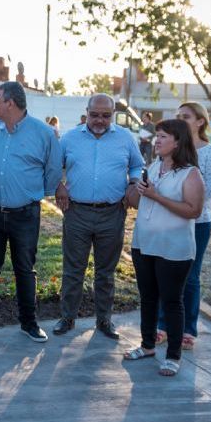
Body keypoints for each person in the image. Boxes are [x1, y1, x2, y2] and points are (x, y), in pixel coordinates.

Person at [0, 81, 62, 343]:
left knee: (25, 268)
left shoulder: (43, 133)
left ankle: (29, 323)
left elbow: (53, 170)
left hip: (25, 214)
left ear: (10, 103)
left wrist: (31, 193)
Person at [53, 94, 144, 339]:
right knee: (73, 269)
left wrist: (133, 182)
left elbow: (137, 165)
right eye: (95, 115)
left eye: (106, 116)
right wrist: (58, 186)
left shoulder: (126, 138)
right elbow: (53, 167)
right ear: (87, 112)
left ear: (112, 115)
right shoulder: (70, 138)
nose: (100, 120)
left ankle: (104, 320)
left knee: (106, 271)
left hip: (112, 212)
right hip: (77, 212)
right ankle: (67, 318)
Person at [124, 119, 204, 376]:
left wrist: (156, 195)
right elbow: (139, 203)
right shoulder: (154, 166)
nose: (156, 140)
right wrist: (136, 191)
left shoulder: (190, 173)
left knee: (171, 301)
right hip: (144, 244)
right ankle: (147, 345)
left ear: (178, 142)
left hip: (174, 248)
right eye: (157, 136)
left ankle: (173, 356)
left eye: (163, 137)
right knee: (147, 298)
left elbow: (193, 210)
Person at [156, 103, 211, 350]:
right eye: (177, 116)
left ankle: (188, 329)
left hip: (197, 222)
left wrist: (180, 202)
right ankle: (162, 325)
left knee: (190, 277)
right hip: (168, 220)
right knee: (164, 273)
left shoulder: (209, 152)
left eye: (186, 116)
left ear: (200, 121)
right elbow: (160, 181)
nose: (180, 120)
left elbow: (210, 189)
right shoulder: (171, 148)